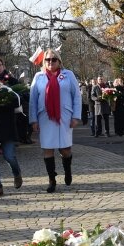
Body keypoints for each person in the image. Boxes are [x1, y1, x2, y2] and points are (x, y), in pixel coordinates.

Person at [29, 49, 82, 193]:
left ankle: (67, 170)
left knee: (65, 149)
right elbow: (33, 100)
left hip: (64, 117)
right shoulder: (38, 76)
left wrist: (76, 116)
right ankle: (51, 179)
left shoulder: (68, 75)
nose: (50, 62)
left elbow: (76, 96)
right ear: (44, 62)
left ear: (59, 61)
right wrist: (33, 120)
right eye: (47, 60)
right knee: (48, 148)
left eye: (53, 59)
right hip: (45, 117)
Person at [0, 56, 24, 198]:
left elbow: (21, 98)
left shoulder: (11, 81)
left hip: (7, 124)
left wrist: (4, 102)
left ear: (3, 66)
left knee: (9, 156)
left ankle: (16, 173)